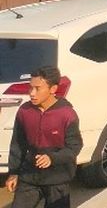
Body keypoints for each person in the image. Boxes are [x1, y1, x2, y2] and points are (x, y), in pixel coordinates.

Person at [6, 66, 82, 208]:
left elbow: (74, 147)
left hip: (58, 179)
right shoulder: (24, 111)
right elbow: (17, 144)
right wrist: (14, 173)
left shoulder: (67, 114)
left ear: (53, 89)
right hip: (30, 177)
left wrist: (52, 158)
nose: (32, 93)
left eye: (37, 88)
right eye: (30, 88)